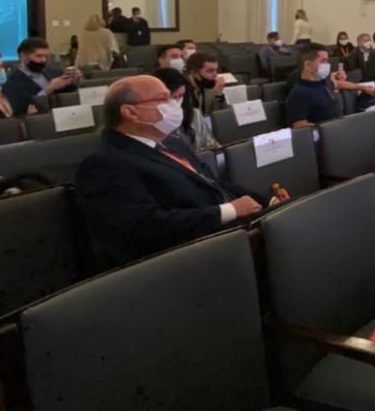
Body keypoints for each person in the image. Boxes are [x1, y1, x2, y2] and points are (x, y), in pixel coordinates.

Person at [73, 76, 278, 270]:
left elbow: (213, 183)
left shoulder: (171, 142)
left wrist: (268, 202)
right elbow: (141, 229)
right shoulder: (104, 163)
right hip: (186, 258)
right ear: (131, 112)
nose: (174, 105)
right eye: (164, 99)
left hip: (228, 235)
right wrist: (228, 211)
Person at [285, 43, 375, 127]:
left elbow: (339, 84)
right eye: (323, 61)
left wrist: (364, 87)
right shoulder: (299, 94)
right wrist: (329, 129)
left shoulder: (322, 82)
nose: (327, 64)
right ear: (308, 65)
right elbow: (301, 127)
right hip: (327, 135)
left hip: (339, 127)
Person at [4, 37, 82, 115]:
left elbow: (68, 93)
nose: (43, 60)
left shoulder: (53, 72)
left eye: (45, 56)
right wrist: (49, 88)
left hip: (63, 114)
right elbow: (22, 106)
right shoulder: (12, 82)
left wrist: (76, 80)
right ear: (23, 56)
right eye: (39, 56)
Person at [152, 66, 216, 151]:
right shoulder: (148, 123)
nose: (177, 101)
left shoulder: (194, 115)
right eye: (172, 97)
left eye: (180, 96)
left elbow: (211, 146)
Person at [184, 51, 222, 116]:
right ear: (194, 73)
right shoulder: (182, 93)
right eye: (210, 71)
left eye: (216, 70)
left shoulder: (208, 86)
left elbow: (217, 115)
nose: (215, 75)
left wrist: (219, 94)